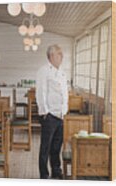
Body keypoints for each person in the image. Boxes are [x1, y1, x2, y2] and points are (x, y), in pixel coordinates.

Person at [36, 44, 68, 179]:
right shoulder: (43, 71)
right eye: (59, 54)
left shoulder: (62, 72)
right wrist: (45, 113)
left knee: (57, 147)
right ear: (51, 56)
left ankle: (56, 171)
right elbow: (41, 92)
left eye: (61, 54)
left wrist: (64, 110)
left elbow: (65, 93)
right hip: (49, 116)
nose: (62, 57)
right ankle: (44, 175)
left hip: (60, 115)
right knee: (45, 148)